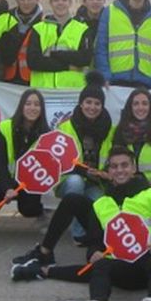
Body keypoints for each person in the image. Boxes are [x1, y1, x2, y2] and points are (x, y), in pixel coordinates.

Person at [15, 147, 151, 301]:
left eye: (125, 165)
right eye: (114, 166)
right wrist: (94, 253)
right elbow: (94, 242)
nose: (120, 170)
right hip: (118, 267)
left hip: (149, 261)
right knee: (100, 265)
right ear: (108, 171)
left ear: (134, 168)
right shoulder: (100, 204)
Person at [0, 88, 50, 250]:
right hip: (6, 178)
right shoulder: (5, 127)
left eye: (37, 104)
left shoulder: (46, 133)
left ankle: (39, 214)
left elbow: (48, 165)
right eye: (28, 103)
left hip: (29, 183)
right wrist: (8, 188)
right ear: (21, 106)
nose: (32, 108)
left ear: (42, 109)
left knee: (27, 209)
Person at [56, 72, 113, 208]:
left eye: (97, 103)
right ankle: (72, 226)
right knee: (76, 183)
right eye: (88, 102)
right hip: (70, 180)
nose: (92, 107)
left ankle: (81, 229)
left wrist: (104, 173)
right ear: (81, 103)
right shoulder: (64, 127)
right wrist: (84, 172)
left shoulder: (110, 129)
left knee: (100, 204)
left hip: (96, 183)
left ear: (102, 106)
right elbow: (58, 162)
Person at [27, 0, 92, 89]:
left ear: (70, 2)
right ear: (51, 3)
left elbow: (84, 59)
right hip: (43, 91)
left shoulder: (82, 29)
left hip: (72, 91)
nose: (60, 3)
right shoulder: (38, 29)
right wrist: (67, 66)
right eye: (56, 0)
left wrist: (54, 54)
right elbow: (33, 62)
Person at [108, 88, 151, 186]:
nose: (140, 107)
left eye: (145, 103)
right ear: (130, 107)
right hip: (126, 185)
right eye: (136, 104)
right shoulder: (119, 130)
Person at [0, 0, 44, 86]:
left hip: (35, 81)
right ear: (16, 0)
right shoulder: (5, 20)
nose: (26, 2)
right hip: (8, 80)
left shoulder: (45, 22)